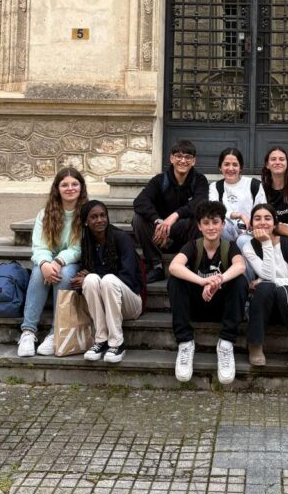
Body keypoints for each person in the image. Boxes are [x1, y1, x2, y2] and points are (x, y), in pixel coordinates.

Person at [167, 199, 247, 385]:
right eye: (206, 223)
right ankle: (185, 343)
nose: (211, 227)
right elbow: (174, 266)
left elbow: (240, 266)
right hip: (196, 306)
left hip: (222, 308)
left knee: (240, 282)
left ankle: (226, 343)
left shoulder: (229, 246)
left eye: (215, 222)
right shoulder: (193, 246)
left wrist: (217, 282)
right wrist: (203, 281)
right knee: (175, 281)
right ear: (199, 226)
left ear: (223, 224)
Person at [18, 167, 87, 356]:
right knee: (38, 272)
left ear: (81, 187)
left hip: (73, 262)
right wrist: (45, 264)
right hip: (48, 260)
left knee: (64, 273)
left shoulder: (86, 213)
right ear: (57, 188)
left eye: (74, 184)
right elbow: (39, 246)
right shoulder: (45, 213)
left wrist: (58, 261)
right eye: (65, 185)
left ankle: (56, 332)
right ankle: (28, 332)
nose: (70, 188)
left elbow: (79, 248)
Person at [71, 200, 143, 364]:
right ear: (86, 222)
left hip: (130, 303)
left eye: (103, 215)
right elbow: (89, 278)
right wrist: (81, 280)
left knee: (108, 280)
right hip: (105, 305)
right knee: (90, 280)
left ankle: (117, 343)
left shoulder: (121, 238)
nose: (100, 220)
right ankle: (101, 340)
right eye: (94, 217)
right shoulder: (87, 243)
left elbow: (129, 277)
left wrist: (97, 274)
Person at [239, 203, 288, 367]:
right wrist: (266, 243)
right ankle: (255, 345)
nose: (262, 222)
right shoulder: (249, 247)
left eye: (267, 218)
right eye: (257, 218)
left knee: (282, 290)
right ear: (251, 224)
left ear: (275, 224)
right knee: (265, 288)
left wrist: (261, 281)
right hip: (265, 307)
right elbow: (268, 275)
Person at [132, 139, 209, 283]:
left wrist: (174, 216)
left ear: (193, 161)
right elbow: (140, 201)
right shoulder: (160, 180)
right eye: (178, 156)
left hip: (184, 235)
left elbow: (201, 202)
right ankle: (156, 266)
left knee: (199, 218)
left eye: (188, 157)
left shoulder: (199, 180)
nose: (183, 160)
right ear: (171, 158)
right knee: (138, 219)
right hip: (159, 236)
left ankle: (190, 264)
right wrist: (158, 220)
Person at [208, 146, 266, 241]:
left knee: (242, 240)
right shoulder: (215, 187)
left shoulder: (254, 185)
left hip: (250, 232)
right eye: (226, 164)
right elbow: (214, 211)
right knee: (218, 224)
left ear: (240, 168)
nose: (230, 168)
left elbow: (262, 211)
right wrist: (238, 215)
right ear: (220, 167)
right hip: (225, 233)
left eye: (235, 165)